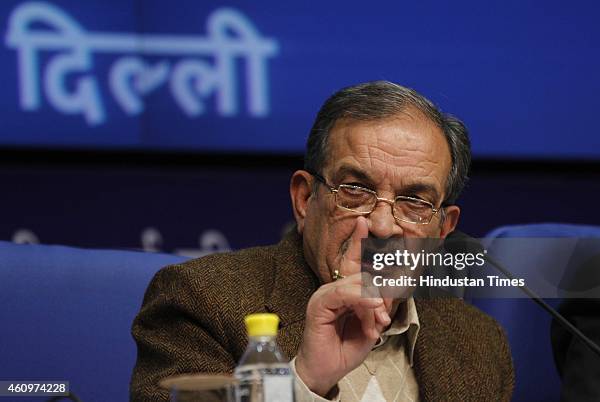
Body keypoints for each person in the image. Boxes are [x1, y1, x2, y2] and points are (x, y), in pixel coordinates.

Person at [130, 81, 514, 401]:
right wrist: (304, 382)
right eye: (355, 190)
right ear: (304, 199)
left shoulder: (478, 342)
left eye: (414, 202)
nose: (382, 226)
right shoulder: (203, 301)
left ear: (442, 229)